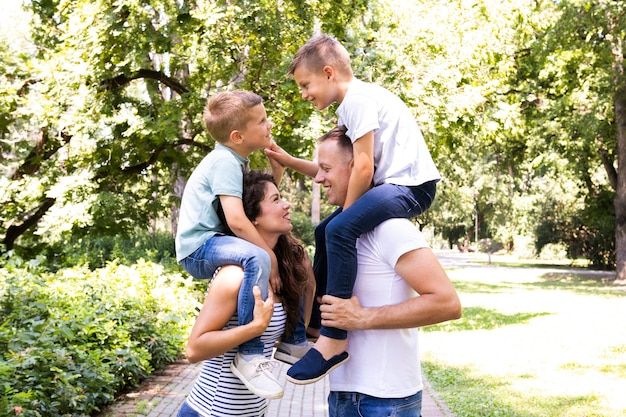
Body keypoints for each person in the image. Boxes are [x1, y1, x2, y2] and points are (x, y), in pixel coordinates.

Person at [265, 33, 441, 383]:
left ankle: (334, 340)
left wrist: (347, 214)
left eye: (305, 84)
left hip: (411, 187)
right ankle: (313, 328)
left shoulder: (357, 99)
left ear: (329, 73)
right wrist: (287, 159)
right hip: (391, 186)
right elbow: (335, 169)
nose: (303, 94)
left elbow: (362, 168)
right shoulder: (352, 104)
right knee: (323, 230)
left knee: (339, 228)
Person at [288, 126, 461, 416]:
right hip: (343, 393)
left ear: (357, 168)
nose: (318, 178)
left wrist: (363, 317)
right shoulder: (337, 232)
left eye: (326, 169)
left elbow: (447, 303)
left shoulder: (391, 228)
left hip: (385, 401)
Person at [175, 90, 287, 398]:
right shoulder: (224, 161)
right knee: (258, 259)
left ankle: (295, 339)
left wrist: (277, 172)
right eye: (262, 121)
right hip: (200, 247)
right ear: (237, 136)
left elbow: (255, 209)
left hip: (214, 241)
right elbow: (238, 221)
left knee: (276, 258)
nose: (269, 124)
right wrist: (269, 258)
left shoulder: (234, 160)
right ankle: (249, 353)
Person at [177, 170, 316, 416]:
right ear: (252, 217)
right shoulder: (235, 274)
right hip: (211, 411)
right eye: (275, 200)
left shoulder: (279, 271)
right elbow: (194, 350)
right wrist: (253, 328)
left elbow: (294, 335)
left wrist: (305, 277)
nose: (287, 204)